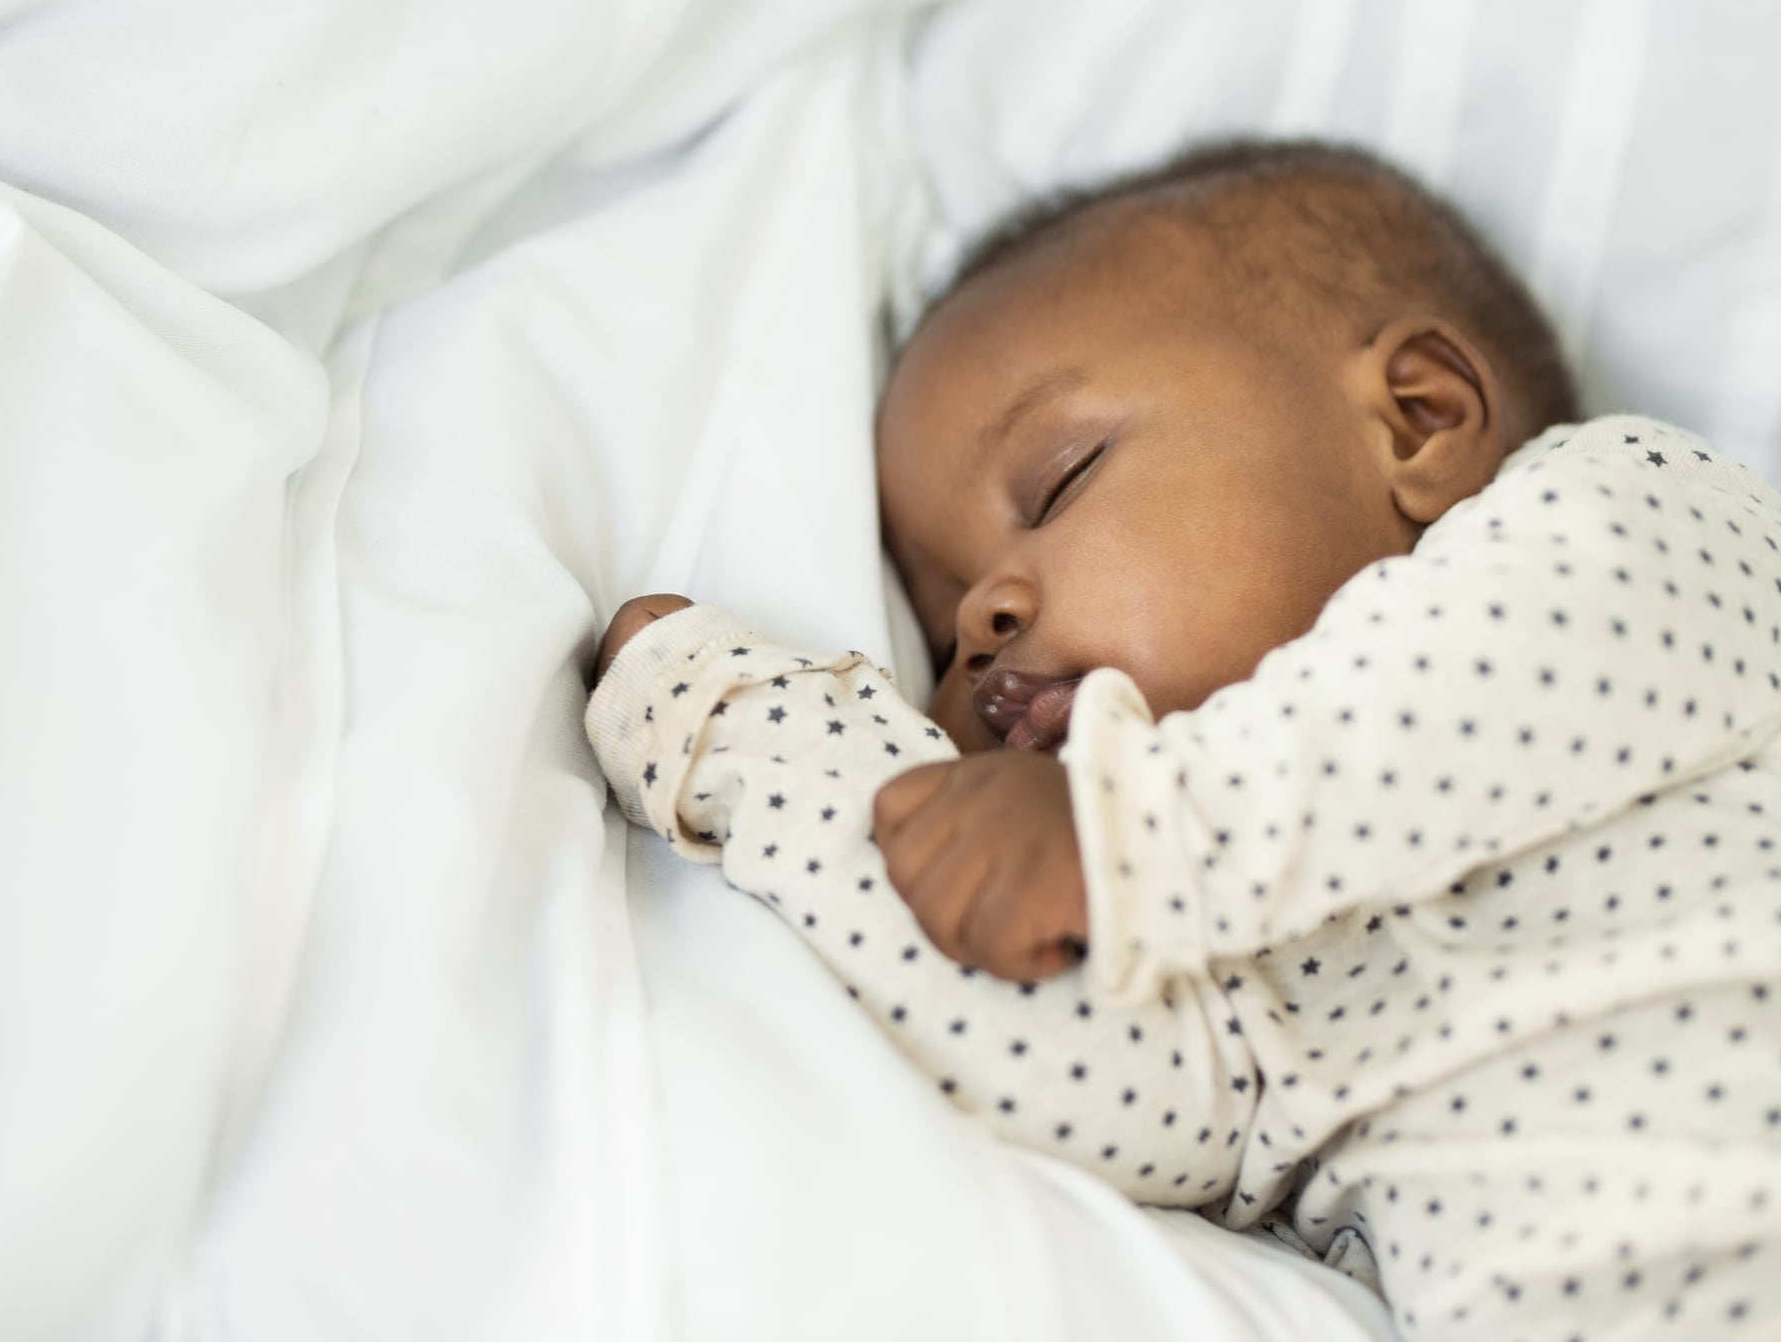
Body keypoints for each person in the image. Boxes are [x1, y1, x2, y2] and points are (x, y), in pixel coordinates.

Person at [584, 140, 1781, 1339]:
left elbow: (1494, 672)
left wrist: (1137, 826)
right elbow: (1076, 1059)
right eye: (941, 630)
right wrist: (739, 727)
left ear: (1416, 420)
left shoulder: (1636, 512)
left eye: (1057, 481)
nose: (975, 622)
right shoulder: (1216, 935)